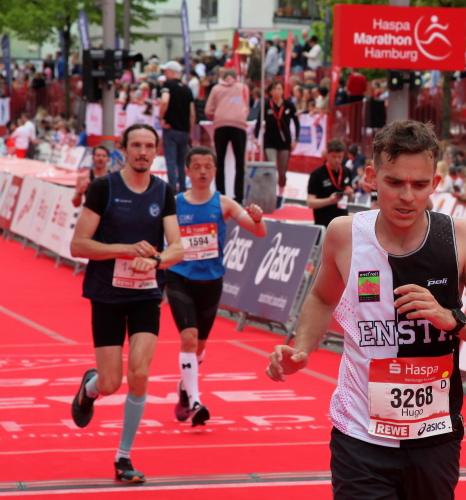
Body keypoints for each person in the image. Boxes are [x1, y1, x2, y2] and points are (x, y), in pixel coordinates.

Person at [265, 120, 466, 500]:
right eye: (394, 182)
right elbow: (323, 298)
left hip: (434, 437)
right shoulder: (344, 234)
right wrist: (301, 348)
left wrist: (451, 319)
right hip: (358, 435)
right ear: (371, 178)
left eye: (420, 184)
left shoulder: (460, 237)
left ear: (436, 182)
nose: (407, 197)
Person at [69, 124, 184, 483]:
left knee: (140, 372)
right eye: (136, 145)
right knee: (110, 383)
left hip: (146, 293)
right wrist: (125, 250)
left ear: (156, 151)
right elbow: (79, 245)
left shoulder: (163, 191)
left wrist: (156, 260)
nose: (143, 152)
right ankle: (90, 386)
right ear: (124, 149)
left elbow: (178, 248)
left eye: (149, 146)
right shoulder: (104, 188)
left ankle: (123, 457)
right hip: (106, 294)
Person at [167, 146, 267, 427]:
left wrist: (258, 218)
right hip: (179, 277)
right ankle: (195, 401)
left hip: (211, 281)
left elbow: (259, 231)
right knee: (188, 338)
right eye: (196, 166)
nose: (202, 171)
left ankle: (184, 387)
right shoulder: (173, 204)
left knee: (199, 347)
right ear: (187, 171)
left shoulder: (224, 204)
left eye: (207, 166)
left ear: (214, 170)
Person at [205, 69, 249, 204]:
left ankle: (220, 195)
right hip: (239, 125)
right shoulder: (243, 87)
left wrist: (217, 117)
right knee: (240, 163)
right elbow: (246, 107)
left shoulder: (216, 89)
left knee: (220, 161)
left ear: (223, 77)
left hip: (221, 126)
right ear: (235, 77)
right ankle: (239, 197)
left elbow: (208, 110)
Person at [254, 81, 299, 209]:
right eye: (275, 89)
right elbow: (259, 122)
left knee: (282, 171)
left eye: (279, 88)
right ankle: (271, 194)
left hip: (284, 141)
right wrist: (256, 138)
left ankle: (280, 195)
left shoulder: (289, 105)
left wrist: (296, 140)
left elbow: (297, 122)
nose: (277, 91)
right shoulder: (266, 104)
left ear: (283, 91)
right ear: (270, 92)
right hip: (269, 141)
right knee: (271, 168)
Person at [159, 60, 195, 193]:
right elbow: (192, 113)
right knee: (182, 163)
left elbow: (164, 101)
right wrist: (190, 131)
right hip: (184, 131)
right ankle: (183, 189)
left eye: (166, 71)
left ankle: (172, 190)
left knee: (171, 161)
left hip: (171, 129)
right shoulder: (187, 89)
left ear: (171, 72)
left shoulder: (168, 85)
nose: (164, 74)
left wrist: (161, 118)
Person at [307, 139, 354, 227]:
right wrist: (329, 201)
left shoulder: (346, 172)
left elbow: (350, 199)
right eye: (334, 156)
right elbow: (310, 202)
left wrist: (350, 194)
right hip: (324, 222)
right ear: (327, 154)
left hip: (343, 221)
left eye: (340, 157)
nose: (337, 160)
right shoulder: (317, 174)